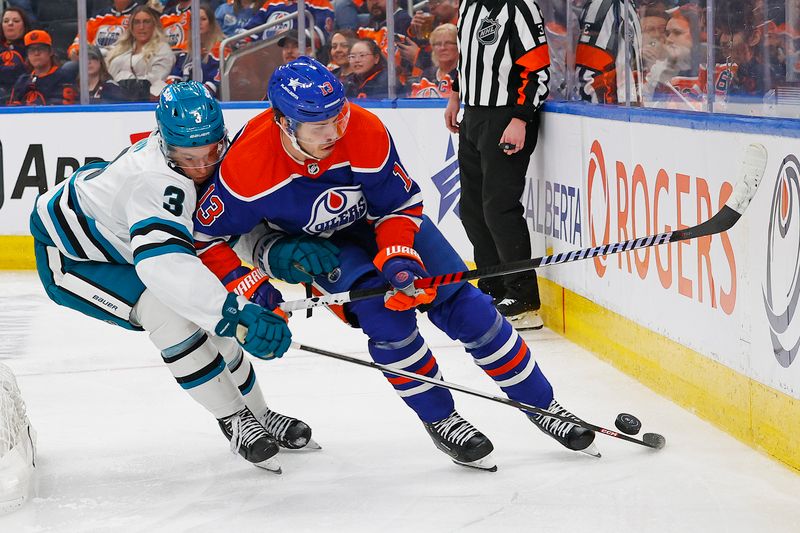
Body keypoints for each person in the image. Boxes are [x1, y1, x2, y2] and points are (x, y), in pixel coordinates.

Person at [193, 57, 598, 471]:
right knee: (385, 320)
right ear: (283, 122)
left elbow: (400, 204)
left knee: (468, 308)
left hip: (382, 223)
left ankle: (544, 406)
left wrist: (400, 255)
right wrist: (248, 280)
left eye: (338, 116)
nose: (334, 133)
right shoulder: (246, 166)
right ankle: (442, 419)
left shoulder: (364, 128)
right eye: (318, 127)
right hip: (324, 246)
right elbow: (207, 239)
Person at [29, 81, 314, 472]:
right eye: (187, 157)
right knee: (172, 314)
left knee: (212, 318)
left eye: (210, 153)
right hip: (73, 255)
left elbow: (218, 230)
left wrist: (271, 252)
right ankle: (234, 419)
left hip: (124, 238)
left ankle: (261, 414)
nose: (201, 167)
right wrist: (235, 311)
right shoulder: (152, 180)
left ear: (223, 140)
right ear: (165, 145)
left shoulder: (221, 162)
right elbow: (164, 265)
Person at [444, 0, 549, 330]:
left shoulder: (519, 6)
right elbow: (468, 55)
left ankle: (523, 298)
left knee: (499, 207)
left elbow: (538, 68)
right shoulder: (468, 4)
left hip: (506, 115)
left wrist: (521, 118)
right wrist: (456, 95)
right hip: (474, 115)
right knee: (473, 209)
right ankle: (492, 288)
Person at [574, 0, 644, 104]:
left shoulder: (625, 5)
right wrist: (610, 114)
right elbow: (588, 77)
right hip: (610, 115)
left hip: (626, 113)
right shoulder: (605, 6)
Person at [106, 5, 175, 101]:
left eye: (146, 22)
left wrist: (124, 78)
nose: (141, 27)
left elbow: (156, 80)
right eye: (137, 22)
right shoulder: (120, 48)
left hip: (143, 100)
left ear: (154, 25)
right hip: (112, 98)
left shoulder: (162, 49)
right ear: (131, 26)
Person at [168, 3, 227, 95]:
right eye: (195, 19)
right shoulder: (185, 52)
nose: (199, 23)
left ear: (211, 23)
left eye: (203, 19)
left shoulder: (221, 48)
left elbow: (215, 80)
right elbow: (173, 77)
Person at [7, 30, 76, 106]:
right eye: (32, 50)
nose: (36, 53)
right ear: (28, 55)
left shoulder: (63, 77)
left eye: (41, 49)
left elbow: (65, 108)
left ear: (50, 52)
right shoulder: (22, 80)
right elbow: (12, 108)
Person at [67, 0, 141, 60]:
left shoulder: (140, 15)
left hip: (119, 60)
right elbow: (81, 40)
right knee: (69, 68)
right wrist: (75, 51)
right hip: (92, 59)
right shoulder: (99, 16)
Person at [409, 23, 457, 98]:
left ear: (459, 46)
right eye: (438, 44)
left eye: (448, 43)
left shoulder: (464, 76)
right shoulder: (427, 75)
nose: (442, 48)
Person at [0, 6, 31, 104]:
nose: (10, 24)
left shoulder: (33, 48)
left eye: (16, 21)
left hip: (22, 95)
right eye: (6, 21)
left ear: (24, 25)